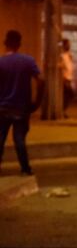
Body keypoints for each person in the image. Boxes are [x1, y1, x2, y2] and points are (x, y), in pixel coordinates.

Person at [0, 30, 44, 176]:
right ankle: (25, 169)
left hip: (3, 108)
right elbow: (40, 81)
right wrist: (37, 102)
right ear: (19, 44)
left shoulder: (1, 62)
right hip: (21, 108)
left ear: (5, 43)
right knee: (19, 139)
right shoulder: (28, 61)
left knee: (0, 139)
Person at [60, 38, 74, 117]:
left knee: (68, 95)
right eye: (67, 44)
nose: (69, 46)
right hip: (64, 78)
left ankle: (63, 110)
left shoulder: (69, 55)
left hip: (69, 78)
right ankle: (62, 111)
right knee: (69, 95)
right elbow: (60, 65)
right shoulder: (62, 55)